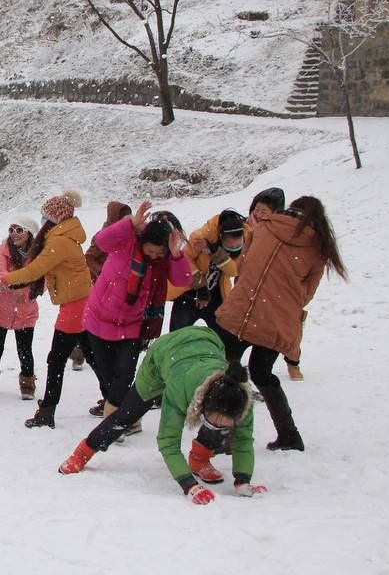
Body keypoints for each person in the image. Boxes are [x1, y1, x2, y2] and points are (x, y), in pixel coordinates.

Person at [57, 325, 266, 505]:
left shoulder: (238, 396)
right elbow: (168, 441)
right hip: (164, 356)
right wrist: (189, 485)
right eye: (211, 419)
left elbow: (243, 439)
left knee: (217, 425)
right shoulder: (180, 387)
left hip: (206, 343)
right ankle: (83, 453)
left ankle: (199, 459)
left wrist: (243, 479)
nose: (219, 427)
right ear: (201, 404)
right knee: (127, 415)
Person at [216, 196, 346, 452]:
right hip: (276, 321)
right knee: (262, 373)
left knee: (226, 368)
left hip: (243, 311)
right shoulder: (318, 248)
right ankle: (289, 434)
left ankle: (223, 434)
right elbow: (306, 294)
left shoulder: (264, 227)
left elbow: (241, 266)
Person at [81, 201, 192, 435]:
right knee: (107, 375)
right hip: (99, 318)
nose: (152, 255)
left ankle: (113, 423)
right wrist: (129, 224)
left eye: (157, 253)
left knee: (124, 375)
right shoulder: (126, 243)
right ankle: (128, 418)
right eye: (149, 250)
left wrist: (175, 254)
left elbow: (183, 281)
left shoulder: (162, 264)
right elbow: (101, 241)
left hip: (131, 325)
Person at [0, 191, 93, 428]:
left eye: (45, 217)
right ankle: (115, 400)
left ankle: (47, 412)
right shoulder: (63, 237)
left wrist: (5, 281)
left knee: (56, 360)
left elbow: (35, 270)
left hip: (75, 306)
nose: (43, 221)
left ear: (53, 220)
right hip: (80, 303)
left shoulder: (59, 241)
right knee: (95, 357)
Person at [167, 209, 249, 363]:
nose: (234, 250)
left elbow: (233, 270)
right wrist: (200, 285)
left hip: (216, 297)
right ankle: (175, 364)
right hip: (189, 294)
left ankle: (227, 370)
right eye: (229, 247)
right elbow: (185, 260)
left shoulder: (244, 239)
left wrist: (215, 252)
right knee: (177, 338)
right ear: (220, 237)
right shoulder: (200, 238)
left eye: (236, 247)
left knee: (224, 339)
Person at [245, 187, 304, 381]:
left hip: (278, 290)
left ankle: (292, 362)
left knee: (288, 330)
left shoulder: (283, 232)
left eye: (264, 212)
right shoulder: (248, 228)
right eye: (257, 210)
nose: (259, 215)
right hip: (250, 286)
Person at [0, 215, 41, 399]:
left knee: (25, 350)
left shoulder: (38, 254)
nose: (14, 233)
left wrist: (27, 291)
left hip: (25, 311)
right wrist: (17, 286)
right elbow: (0, 272)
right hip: (0, 308)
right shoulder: (3, 250)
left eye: (19, 230)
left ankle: (27, 385)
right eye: (11, 229)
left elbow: (42, 278)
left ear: (29, 233)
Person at [80, 201, 131, 410]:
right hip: (106, 296)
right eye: (123, 218)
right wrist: (105, 273)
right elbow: (89, 258)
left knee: (119, 358)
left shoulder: (131, 237)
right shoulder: (103, 236)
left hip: (125, 297)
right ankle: (113, 400)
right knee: (106, 355)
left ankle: (116, 400)